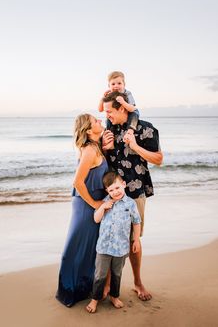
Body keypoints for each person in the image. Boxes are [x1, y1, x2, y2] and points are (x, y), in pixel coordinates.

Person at [102, 91, 163, 301]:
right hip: (110, 193)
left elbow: (158, 159)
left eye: (110, 111)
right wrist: (105, 148)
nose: (106, 115)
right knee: (109, 235)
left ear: (122, 108)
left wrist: (135, 146)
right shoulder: (109, 129)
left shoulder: (145, 128)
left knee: (133, 240)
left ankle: (137, 282)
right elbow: (103, 160)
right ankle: (108, 283)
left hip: (135, 193)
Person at [56, 114, 108, 307]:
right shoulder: (88, 150)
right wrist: (95, 204)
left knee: (89, 247)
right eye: (96, 121)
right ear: (88, 130)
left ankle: (83, 288)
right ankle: (69, 290)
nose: (100, 121)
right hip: (86, 203)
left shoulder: (96, 146)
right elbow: (77, 182)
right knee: (78, 245)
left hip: (92, 202)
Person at [86, 171, 141, 313]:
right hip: (104, 247)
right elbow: (96, 219)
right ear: (107, 191)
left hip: (121, 248)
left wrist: (136, 240)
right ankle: (95, 299)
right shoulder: (105, 202)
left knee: (117, 274)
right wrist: (103, 207)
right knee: (100, 275)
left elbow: (136, 222)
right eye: (111, 190)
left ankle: (114, 296)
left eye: (117, 188)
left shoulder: (131, 203)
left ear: (123, 185)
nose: (115, 192)